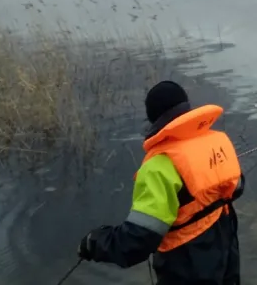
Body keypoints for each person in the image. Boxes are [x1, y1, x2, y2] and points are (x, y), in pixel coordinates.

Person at [76, 80, 245, 285]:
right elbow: (237, 187)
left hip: (187, 264)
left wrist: (95, 243)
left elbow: (137, 241)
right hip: (226, 249)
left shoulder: (159, 166)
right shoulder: (216, 141)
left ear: (154, 119)